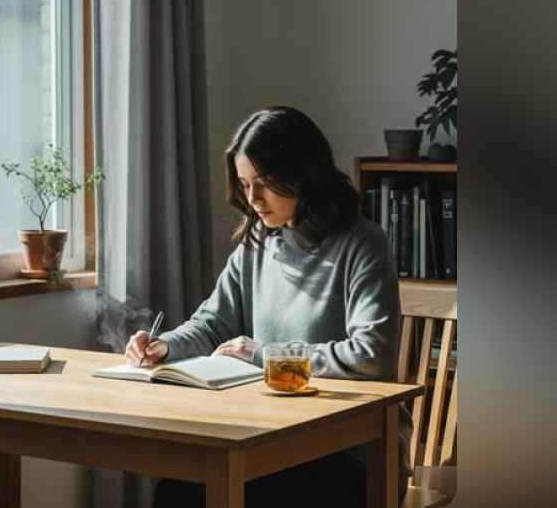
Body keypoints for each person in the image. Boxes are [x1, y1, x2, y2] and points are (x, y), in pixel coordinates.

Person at [124, 105, 411, 508]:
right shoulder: (258, 243)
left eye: (265, 183)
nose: (253, 199)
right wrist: (164, 346)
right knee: (177, 492)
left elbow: (371, 357)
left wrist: (263, 356)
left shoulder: (363, 243)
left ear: (304, 175)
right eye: (244, 184)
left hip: (354, 452)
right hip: (271, 436)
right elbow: (212, 324)